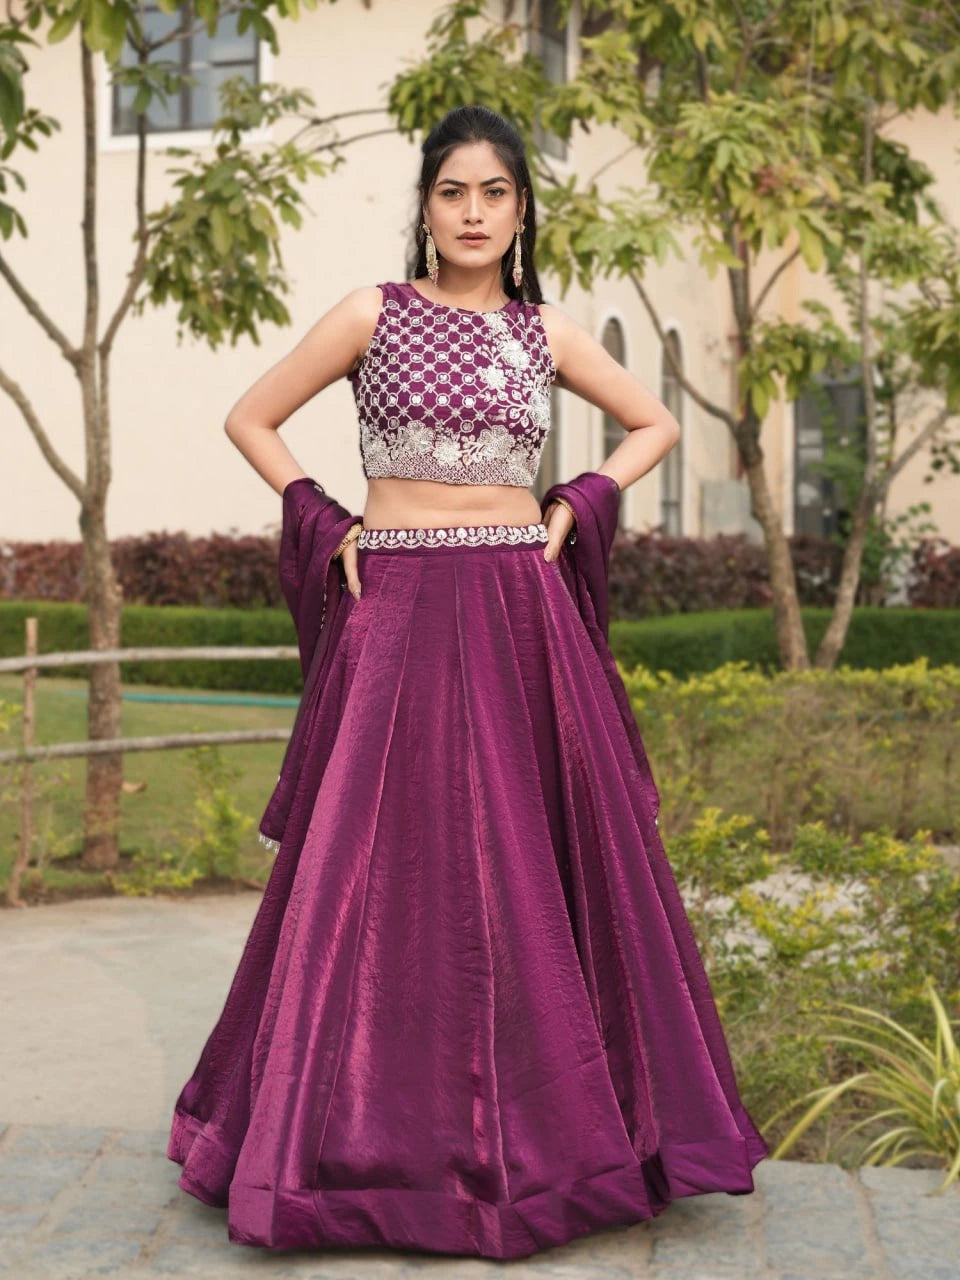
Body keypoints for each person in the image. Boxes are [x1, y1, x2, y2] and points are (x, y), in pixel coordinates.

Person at [166, 104, 769, 1261]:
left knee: (534, 868)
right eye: (455, 192)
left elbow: (651, 423)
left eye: (496, 192)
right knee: (366, 871)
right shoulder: (371, 314)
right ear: (426, 205)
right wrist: (323, 517)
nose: (476, 212)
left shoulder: (542, 332)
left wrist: (572, 503)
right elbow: (252, 415)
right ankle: (337, 1143)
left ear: (522, 208)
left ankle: (554, 1147)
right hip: (395, 610)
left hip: (514, 608)